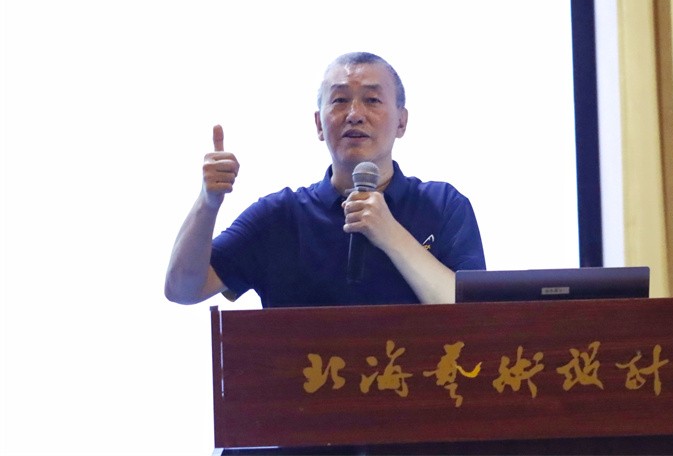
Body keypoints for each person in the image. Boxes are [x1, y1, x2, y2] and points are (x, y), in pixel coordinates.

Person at [164, 52, 485, 308]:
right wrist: (208, 203)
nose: (354, 114)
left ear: (402, 121)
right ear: (319, 124)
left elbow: (474, 314)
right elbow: (182, 289)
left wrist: (390, 233)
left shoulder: (443, 205)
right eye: (340, 100)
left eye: (372, 100)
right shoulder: (279, 217)